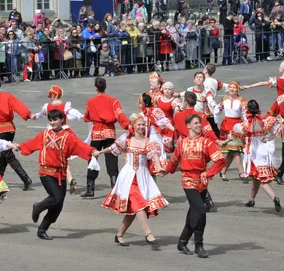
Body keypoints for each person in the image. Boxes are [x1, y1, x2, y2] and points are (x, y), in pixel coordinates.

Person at [17, 109, 96, 240]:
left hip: (61, 174)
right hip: (46, 172)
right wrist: (20, 147)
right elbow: (31, 144)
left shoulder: (68, 137)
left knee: (58, 206)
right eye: (51, 120)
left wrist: (92, 151)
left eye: (55, 120)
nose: (53, 122)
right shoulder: (44, 135)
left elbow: (79, 146)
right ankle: (38, 206)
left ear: (62, 120)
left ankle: (42, 229)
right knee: (56, 198)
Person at [98, 114, 169, 246]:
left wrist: (159, 168)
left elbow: (154, 156)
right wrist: (99, 152)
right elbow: (113, 148)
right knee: (139, 203)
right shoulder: (127, 139)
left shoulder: (149, 142)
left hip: (142, 177)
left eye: (143, 125)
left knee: (133, 210)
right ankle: (148, 233)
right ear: (133, 126)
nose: (141, 127)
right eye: (139, 124)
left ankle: (119, 235)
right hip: (128, 177)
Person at [162, 114, 226, 258]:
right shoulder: (182, 143)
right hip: (188, 179)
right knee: (201, 210)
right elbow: (173, 161)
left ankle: (183, 241)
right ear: (188, 126)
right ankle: (199, 245)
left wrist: (209, 174)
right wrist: (165, 170)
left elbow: (220, 160)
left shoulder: (206, 142)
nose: (199, 125)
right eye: (196, 123)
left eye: (200, 123)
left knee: (194, 212)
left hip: (201, 182)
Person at [81, 78, 131, 197]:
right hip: (109, 133)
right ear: (105, 87)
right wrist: (128, 126)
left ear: (96, 88)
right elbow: (120, 115)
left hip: (96, 133)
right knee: (112, 160)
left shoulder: (90, 102)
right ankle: (115, 188)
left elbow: (86, 117)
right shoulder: (113, 101)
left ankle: (90, 189)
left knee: (92, 159)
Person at [32, 85, 86, 194]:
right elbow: (73, 112)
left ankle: (62, 180)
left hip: (52, 134)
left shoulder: (47, 106)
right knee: (63, 158)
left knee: (56, 158)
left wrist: (34, 116)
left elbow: (40, 114)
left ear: (52, 95)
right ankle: (69, 179)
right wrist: (82, 116)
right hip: (65, 131)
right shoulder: (65, 106)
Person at [230, 100, 281, 212]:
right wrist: (269, 137)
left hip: (253, 153)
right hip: (264, 151)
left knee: (263, 180)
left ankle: (274, 198)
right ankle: (251, 199)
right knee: (256, 178)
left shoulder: (244, 125)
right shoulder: (264, 122)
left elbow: (233, 135)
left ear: (247, 110)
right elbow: (279, 123)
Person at [215, 81, 247, 181]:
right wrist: (216, 110)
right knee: (234, 149)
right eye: (230, 87)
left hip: (237, 126)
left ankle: (223, 171)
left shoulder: (242, 100)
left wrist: (246, 126)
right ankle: (241, 172)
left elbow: (245, 114)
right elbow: (218, 110)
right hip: (227, 125)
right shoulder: (224, 99)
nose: (232, 89)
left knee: (233, 150)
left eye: (234, 87)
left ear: (238, 89)